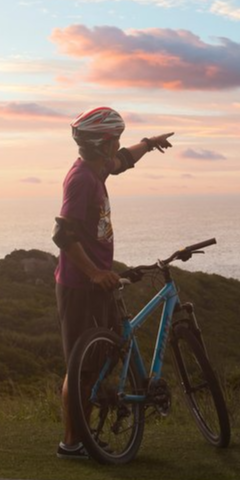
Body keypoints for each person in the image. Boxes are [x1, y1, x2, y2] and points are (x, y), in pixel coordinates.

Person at [52, 106, 173, 459]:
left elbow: (122, 161)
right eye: (115, 138)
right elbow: (64, 235)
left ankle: (84, 436)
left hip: (98, 284)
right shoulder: (81, 179)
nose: (119, 144)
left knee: (97, 363)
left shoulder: (98, 166)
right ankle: (72, 444)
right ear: (103, 142)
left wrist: (149, 144)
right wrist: (93, 273)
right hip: (80, 286)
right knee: (80, 368)